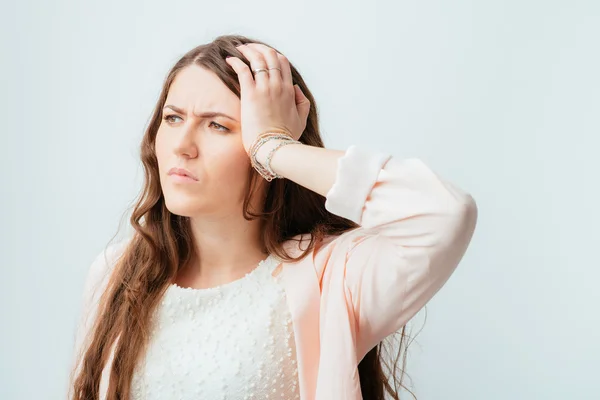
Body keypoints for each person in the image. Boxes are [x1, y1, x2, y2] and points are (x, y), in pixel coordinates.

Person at [68, 34, 478, 400]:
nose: (182, 146)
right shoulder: (115, 273)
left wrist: (273, 149)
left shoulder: (330, 276)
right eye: (173, 118)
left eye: (218, 126)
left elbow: (445, 213)